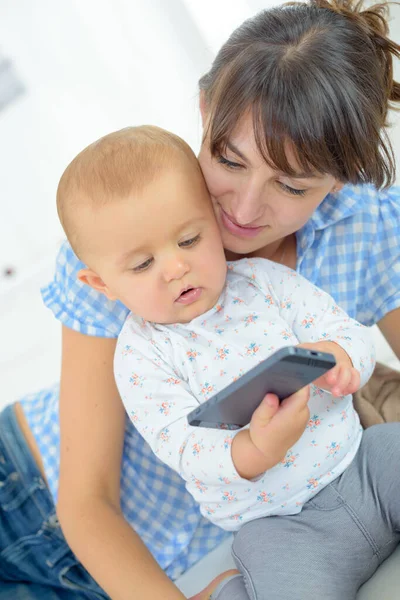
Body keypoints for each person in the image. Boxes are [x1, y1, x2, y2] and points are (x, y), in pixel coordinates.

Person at [0, 0, 399, 598]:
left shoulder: (370, 231)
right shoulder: (122, 245)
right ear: (206, 111)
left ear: (343, 175)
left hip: (230, 537)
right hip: (32, 502)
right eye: (228, 160)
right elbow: (87, 504)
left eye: (290, 185)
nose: (241, 211)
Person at [56, 123, 380, 600]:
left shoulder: (262, 281)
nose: (175, 267)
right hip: (272, 525)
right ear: (102, 285)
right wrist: (253, 451)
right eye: (143, 265)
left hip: (360, 464)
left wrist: (341, 357)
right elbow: (181, 445)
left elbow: (345, 330)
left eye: (189, 239)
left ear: (213, 217)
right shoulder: (139, 356)